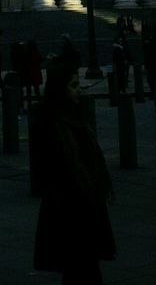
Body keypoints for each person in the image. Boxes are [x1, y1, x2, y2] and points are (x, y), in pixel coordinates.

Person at [32, 59, 115, 285]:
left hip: (85, 206)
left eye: (78, 85)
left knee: (81, 271)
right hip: (70, 209)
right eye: (73, 85)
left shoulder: (74, 118)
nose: (79, 90)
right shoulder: (51, 122)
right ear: (60, 89)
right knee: (82, 270)